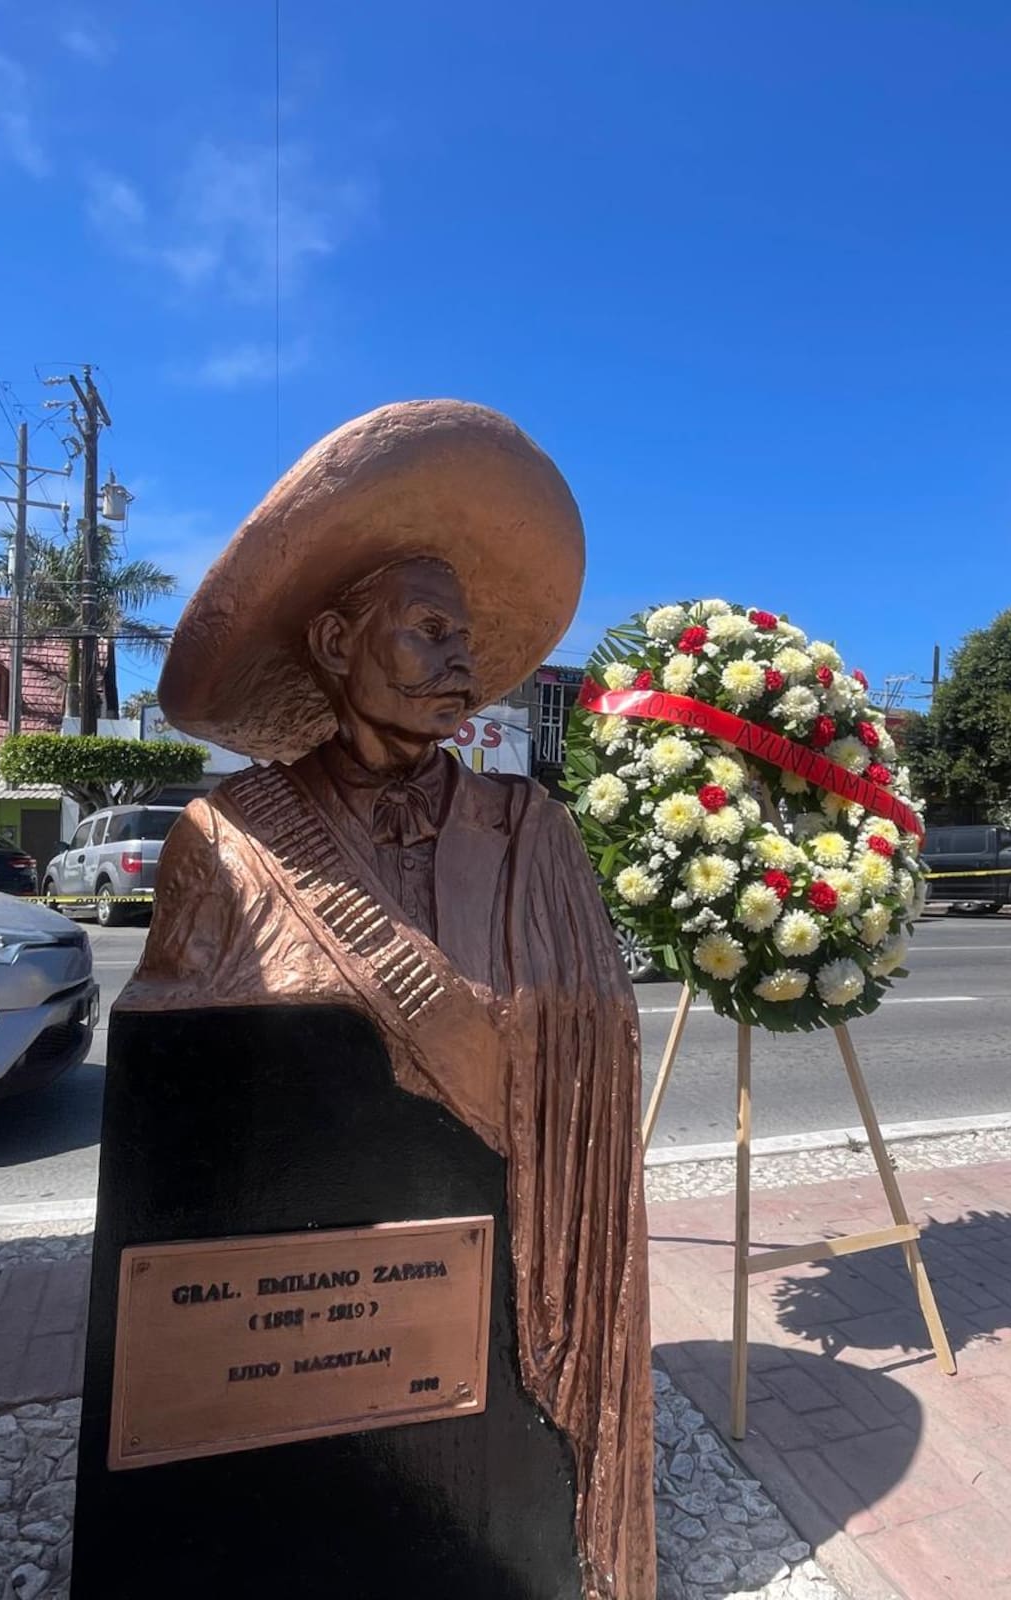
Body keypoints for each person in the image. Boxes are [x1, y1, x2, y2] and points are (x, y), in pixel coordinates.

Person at [121, 399, 655, 1600]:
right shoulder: (226, 841)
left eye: (464, 633)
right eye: (426, 630)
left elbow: (592, 1038)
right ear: (330, 642)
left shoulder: (535, 836)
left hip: (473, 1296)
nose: (463, 660)